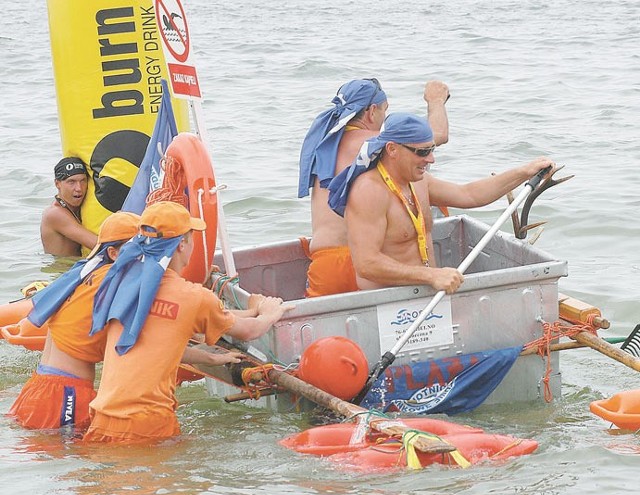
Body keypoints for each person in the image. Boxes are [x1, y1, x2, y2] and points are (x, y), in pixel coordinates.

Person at [8, 211, 246, 430]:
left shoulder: (87, 272)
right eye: (138, 247)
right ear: (113, 253)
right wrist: (218, 346)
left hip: (40, 387)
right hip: (67, 395)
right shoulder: (116, 285)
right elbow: (160, 337)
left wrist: (210, 355)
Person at [83, 201, 292, 444]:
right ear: (182, 244)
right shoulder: (193, 296)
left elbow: (154, 343)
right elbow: (248, 331)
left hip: (102, 417)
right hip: (148, 422)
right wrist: (270, 312)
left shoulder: (121, 282)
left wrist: (211, 358)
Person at [328, 112, 554, 292]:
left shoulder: (418, 181)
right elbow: (366, 263)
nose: (430, 159)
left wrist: (524, 172)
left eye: (432, 149)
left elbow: (469, 195)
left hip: (426, 294)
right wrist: (431, 275)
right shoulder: (369, 190)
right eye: (422, 152)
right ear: (392, 150)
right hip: (387, 302)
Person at [298, 79, 450, 297]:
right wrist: (436, 101)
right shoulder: (371, 144)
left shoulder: (324, 145)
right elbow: (434, 136)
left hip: (325, 263)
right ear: (371, 112)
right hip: (360, 263)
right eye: (385, 111)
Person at [40, 157, 98, 257]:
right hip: (63, 270)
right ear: (57, 184)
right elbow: (98, 245)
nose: (79, 188)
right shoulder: (55, 214)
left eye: (83, 181)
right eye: (71, 182)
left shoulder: (80, 208)